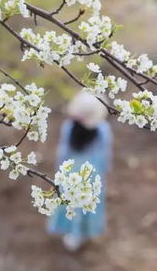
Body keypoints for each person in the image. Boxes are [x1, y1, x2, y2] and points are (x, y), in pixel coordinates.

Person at [47, 91, 112, 251]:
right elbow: (105, 153)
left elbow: (63, 151)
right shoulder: (103, 129)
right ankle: (85, 231)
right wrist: (105, 170)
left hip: (71, 169)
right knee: (87, 202)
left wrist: (59, 170)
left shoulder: (69, 127)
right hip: (92, 171)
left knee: (70, 202)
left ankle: (72, 234)